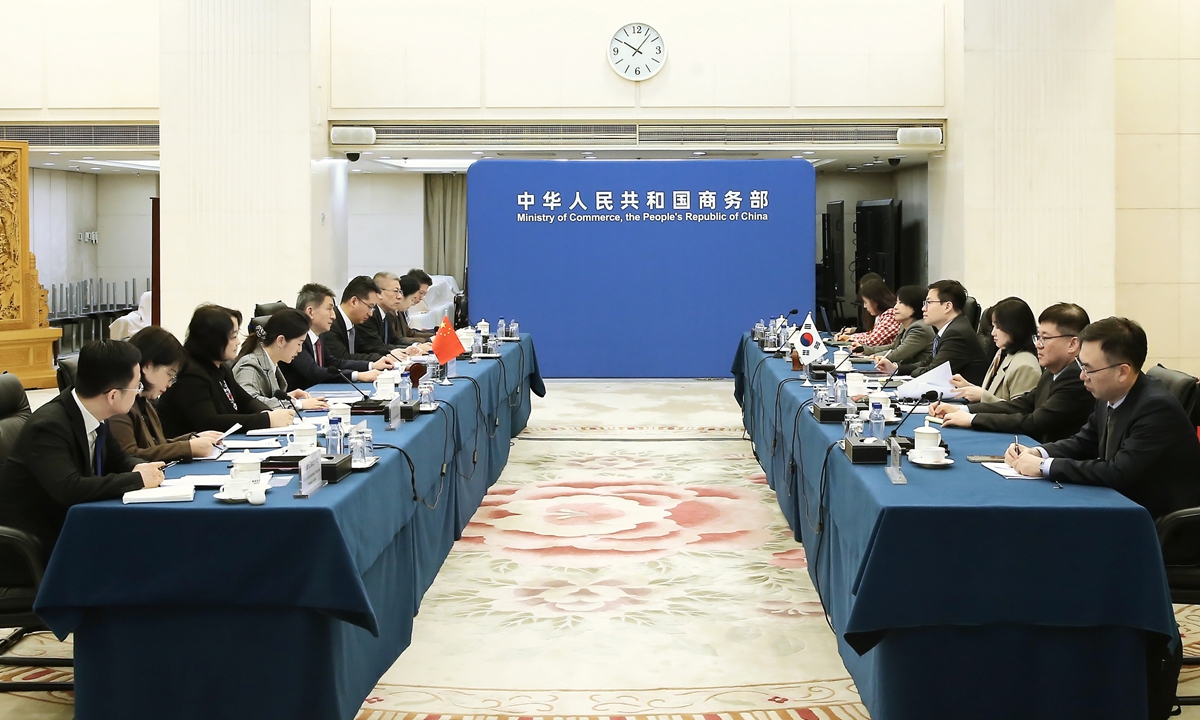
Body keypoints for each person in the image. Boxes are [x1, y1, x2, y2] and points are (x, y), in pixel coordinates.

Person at [0, 340, 166, 584]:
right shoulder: (49, 426)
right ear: (112, 395)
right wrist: (136, 479)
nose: (140, 391)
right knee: (145, 558)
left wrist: (139, 467)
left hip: (74, 531)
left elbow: (119, 459)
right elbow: (70, 489)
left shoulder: (94, 414)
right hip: (33, 550)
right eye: (136, 386)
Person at [1006, 317, 1200, 521]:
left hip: (1158, 522)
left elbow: (1118, 472)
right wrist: (1038, 452)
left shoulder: (1156, 408)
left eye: (1089, 369)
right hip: (1122, 503)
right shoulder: (1108, 394)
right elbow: (1084, 441)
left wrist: (1043, 467)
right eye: (1081, 366)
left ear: (1122, 372)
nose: (1082, 376)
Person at [931, 303, 1094, 443]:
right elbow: (1021, 405)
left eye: (1045, 338)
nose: (1038, 344)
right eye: (1038, 337)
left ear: (1073, 344)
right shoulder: (1053, 371)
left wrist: (972, 419)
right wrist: (963, 411)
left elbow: (1035, 421)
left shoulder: (1075, 376)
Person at [157, 304, 295, 436]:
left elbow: (246, 402)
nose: (238, 342)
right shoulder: (190, 375)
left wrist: (269, 414)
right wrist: (267, 420)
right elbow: (210, 422)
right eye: (233, 336)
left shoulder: (221, 367)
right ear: (214, 340)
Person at [108, 326, 225, 462]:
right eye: (170, 374)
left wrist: (191, 439)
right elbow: (129, 456)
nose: (170, 384)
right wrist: (187, 447)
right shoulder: (121, 403)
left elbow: (155, 445)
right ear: (147, 366)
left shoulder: (145, 402)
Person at [279, 283, 391, 391]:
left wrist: (371, 365)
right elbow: (313, 372)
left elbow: (335, 363)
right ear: (310, 312)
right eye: (329, 309)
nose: (333, 315)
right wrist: (358, 376)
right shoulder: (294, 337)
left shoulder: (319, 337)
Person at [875, 280, 989, 385]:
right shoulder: (950, 329)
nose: (923, 308)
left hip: (965, 401)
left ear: (947, 306)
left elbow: (932, 373)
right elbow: (927, 363)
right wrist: (896, 368)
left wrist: (913, 372)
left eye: (928, 302)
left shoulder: (956, 333)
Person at [947, 297, 1041, 403]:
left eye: (998, 327)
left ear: (1013, 328)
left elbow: (1020, 413)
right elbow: (994, 394)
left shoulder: (1025, 366)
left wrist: (982, 396)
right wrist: (970, 388)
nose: (993, 333)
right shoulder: (1003, 352)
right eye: (993, 326)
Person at [233, 309, 330, 411]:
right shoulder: (249, 365)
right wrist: (297, 403)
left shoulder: (270, 362)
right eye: (299, 343)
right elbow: (249, 402)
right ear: (280, 341)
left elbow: (264, 398)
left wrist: (287, 397)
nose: (300, 349)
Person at [320, 276, 396, 364]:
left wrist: (390, 354)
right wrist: (375, 362)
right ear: (354, 301)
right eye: (370, 307)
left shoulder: (353, 323)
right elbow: (342, 358)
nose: (371, 314)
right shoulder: (331, 323)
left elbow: (366, 347)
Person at [857, 285, 934, 367]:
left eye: (901, 303)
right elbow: (893, 346)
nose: (895, 307)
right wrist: (865, 350)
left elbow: (899, 353)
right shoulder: (905, 325)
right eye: (896, 302)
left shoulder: (920, 328)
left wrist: (874, 357)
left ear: (914, 306)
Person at [354, 272, 428, 357]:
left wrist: (417, 346)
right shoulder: (369, 315)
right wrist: (408, 349)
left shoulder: (387, 314)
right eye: (396, 291)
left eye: (400, 292)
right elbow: (375, 347)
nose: (400, 296)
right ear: (379, 293)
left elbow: (395, 340)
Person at [836, 278, 900, 347]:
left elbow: (872, 340)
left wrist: (851, 338)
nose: (864, 306)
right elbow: (870, 334)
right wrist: (849, 337)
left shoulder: (890, 315)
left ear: (875, 301)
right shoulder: (882, 315)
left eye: (866, 302)